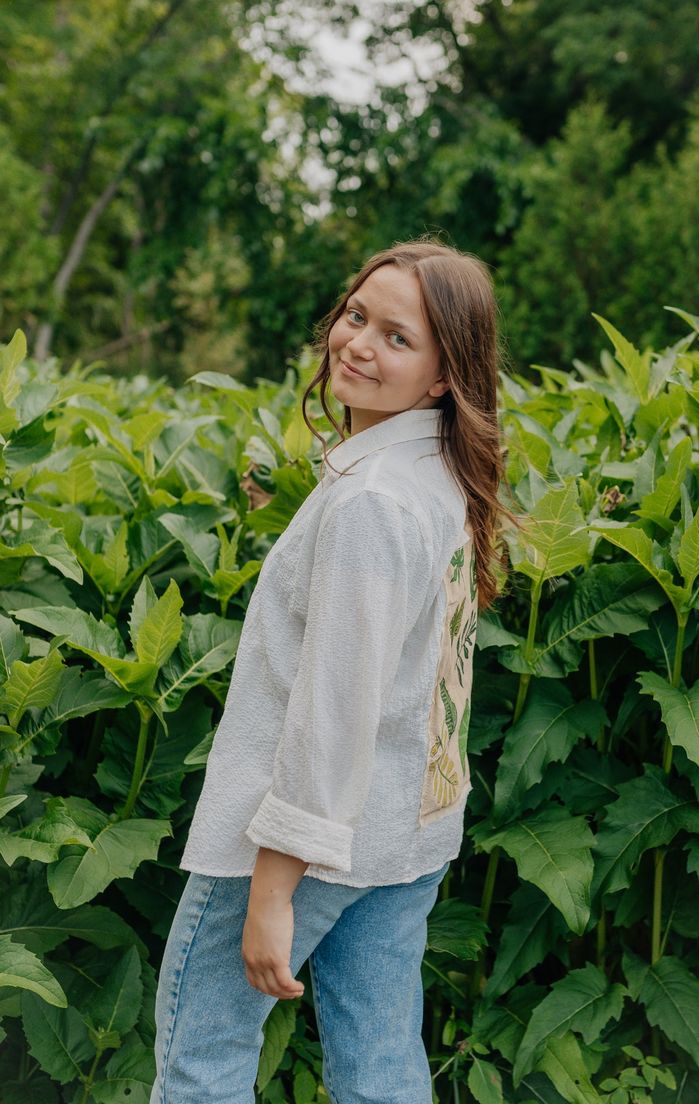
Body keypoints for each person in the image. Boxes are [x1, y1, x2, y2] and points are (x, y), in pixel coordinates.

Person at [150, 236, 510, 1104]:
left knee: (203, 1051)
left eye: (397, 337)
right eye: (357, 316)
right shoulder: (434, 477)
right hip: (404, 835)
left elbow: (335, 707)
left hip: (301, 846)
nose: (358, 343)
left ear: (440, 377)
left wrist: (273, 887)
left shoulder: (372, 502)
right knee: (380, 1059)